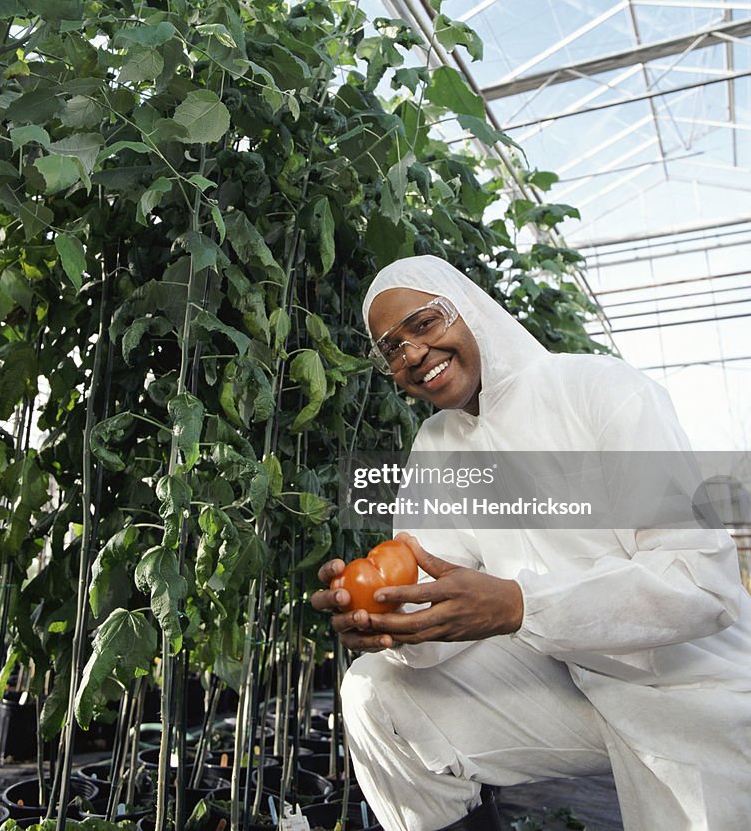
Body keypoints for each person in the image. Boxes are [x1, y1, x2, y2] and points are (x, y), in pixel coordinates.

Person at [311, 255, 751, 831]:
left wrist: (520, 605)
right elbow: (433, 588)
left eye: (424, 324)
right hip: (569, 682)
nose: (413, 354)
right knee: (379, 692)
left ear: (470, 310)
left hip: (693, 687)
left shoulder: (601, 390)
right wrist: (386, 620)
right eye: (391, 348)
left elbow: (700, 583)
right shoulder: (440, 445)